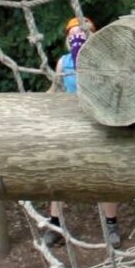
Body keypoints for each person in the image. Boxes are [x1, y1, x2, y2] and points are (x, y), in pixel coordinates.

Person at [48, 16, 123, 248]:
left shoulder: (103, 59)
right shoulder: (63, 63)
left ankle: (111, 224)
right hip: (72, 124)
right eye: (72, 34)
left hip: (99, 122)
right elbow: (56, 88)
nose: (76, 36)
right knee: (60, 174)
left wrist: (83, 51)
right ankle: (55, 224)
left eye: (82, 33)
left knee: (104, 175)